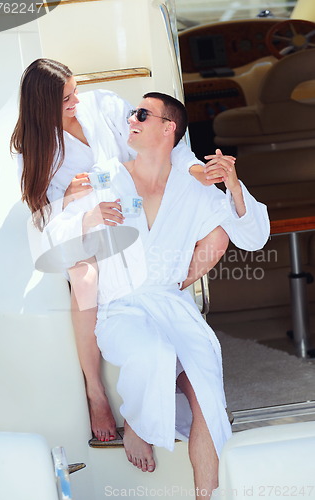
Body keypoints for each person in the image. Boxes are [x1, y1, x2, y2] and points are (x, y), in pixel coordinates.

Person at [48, 92, 270, 498]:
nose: (131, 118)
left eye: (143, 114)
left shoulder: (194, 187)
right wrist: (88, 217)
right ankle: (138, 423)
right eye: (133, 112)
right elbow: (57, 236)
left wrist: (234, 185)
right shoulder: (106, 176)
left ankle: (209, 495)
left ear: (169, 129)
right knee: (153, 353)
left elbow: (253, 237)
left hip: (173, 305)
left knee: (206, 389)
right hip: (121, 311)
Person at [10, 58, 232, 442]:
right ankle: (95, 389)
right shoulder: (31, 148)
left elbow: (158, 140)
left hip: (136, 207)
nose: (76, 101)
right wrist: (70, 199)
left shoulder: (104, 106)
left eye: (75, 90)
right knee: (85, 275)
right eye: (66, 98)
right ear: (41, 104)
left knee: (211, 236)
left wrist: (196, 171)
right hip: (89, 224)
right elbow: (43, 213)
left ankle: (174, 320)